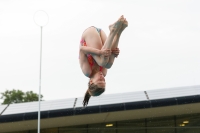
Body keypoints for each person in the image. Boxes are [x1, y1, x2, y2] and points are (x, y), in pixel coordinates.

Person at [79, 15, 128, 107]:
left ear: (91, 82)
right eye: (104, 80)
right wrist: (115, 53)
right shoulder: (104, 72)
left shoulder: (87, 71)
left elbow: (82, 49)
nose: (102, 77)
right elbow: (109, 55)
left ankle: (113, 30)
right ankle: (118, 32)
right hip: (102, 34)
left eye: (99, 80)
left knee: (102, 62)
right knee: (108, 64)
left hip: (90, 34)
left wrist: (99, 52)